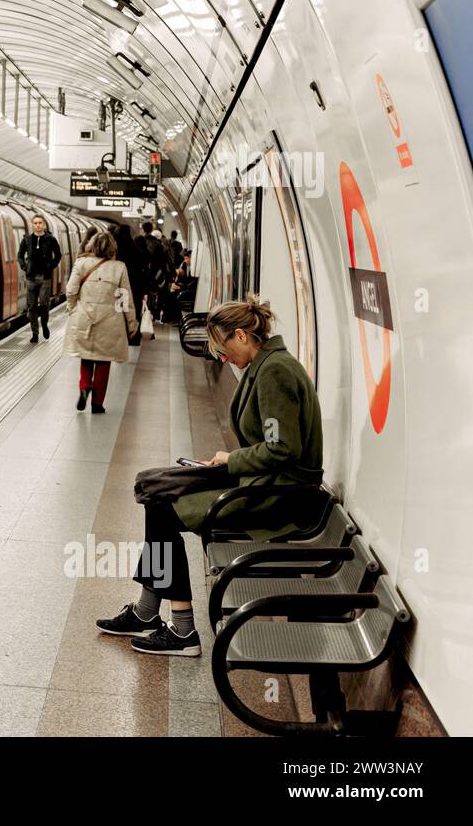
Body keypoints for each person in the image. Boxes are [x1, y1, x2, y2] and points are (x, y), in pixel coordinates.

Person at [95, 295, 324, 656]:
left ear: (242, 336)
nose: (221, 357)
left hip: (279, 496)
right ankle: (147, 611)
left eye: (223, 348)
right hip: (263, 483)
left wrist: (231, 459)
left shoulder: (275, 372)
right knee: (156, 495)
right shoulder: (266, 365)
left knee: (164, 510)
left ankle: (183, 630)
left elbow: (283, 448)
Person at [64, 232, 138, 414]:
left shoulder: (81, 263)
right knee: (104, 362)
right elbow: (124, 298)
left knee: (86, 357)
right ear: (113, 247)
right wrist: (131, 323)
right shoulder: (120, 267)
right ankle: (97, 403)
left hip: (84, 317)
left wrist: (73, 309)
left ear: (92, 245)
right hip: (110, 319)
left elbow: (71, 290)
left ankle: (84, 387)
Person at [18, 214, 62, 342]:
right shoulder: (27, 239)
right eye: (35, 223)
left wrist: (51, 266)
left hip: (45, 277)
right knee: (31, 306)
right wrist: (24, 267)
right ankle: (35, 333)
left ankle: (44, 324)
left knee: (44, 305)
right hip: (30, 277)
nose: (38, 225)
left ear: (44, 225)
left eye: (40, 223)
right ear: (33, 225)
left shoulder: (50, 239)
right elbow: (20, 255)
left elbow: (58, 255)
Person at [112, 222, 146, 341]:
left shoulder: (115, 251)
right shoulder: (136, 249)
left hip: (117, 285)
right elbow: (142, 269)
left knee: (118, 310)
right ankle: (134, 335)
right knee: (134, 310)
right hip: (135, 286)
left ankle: (119, 336)